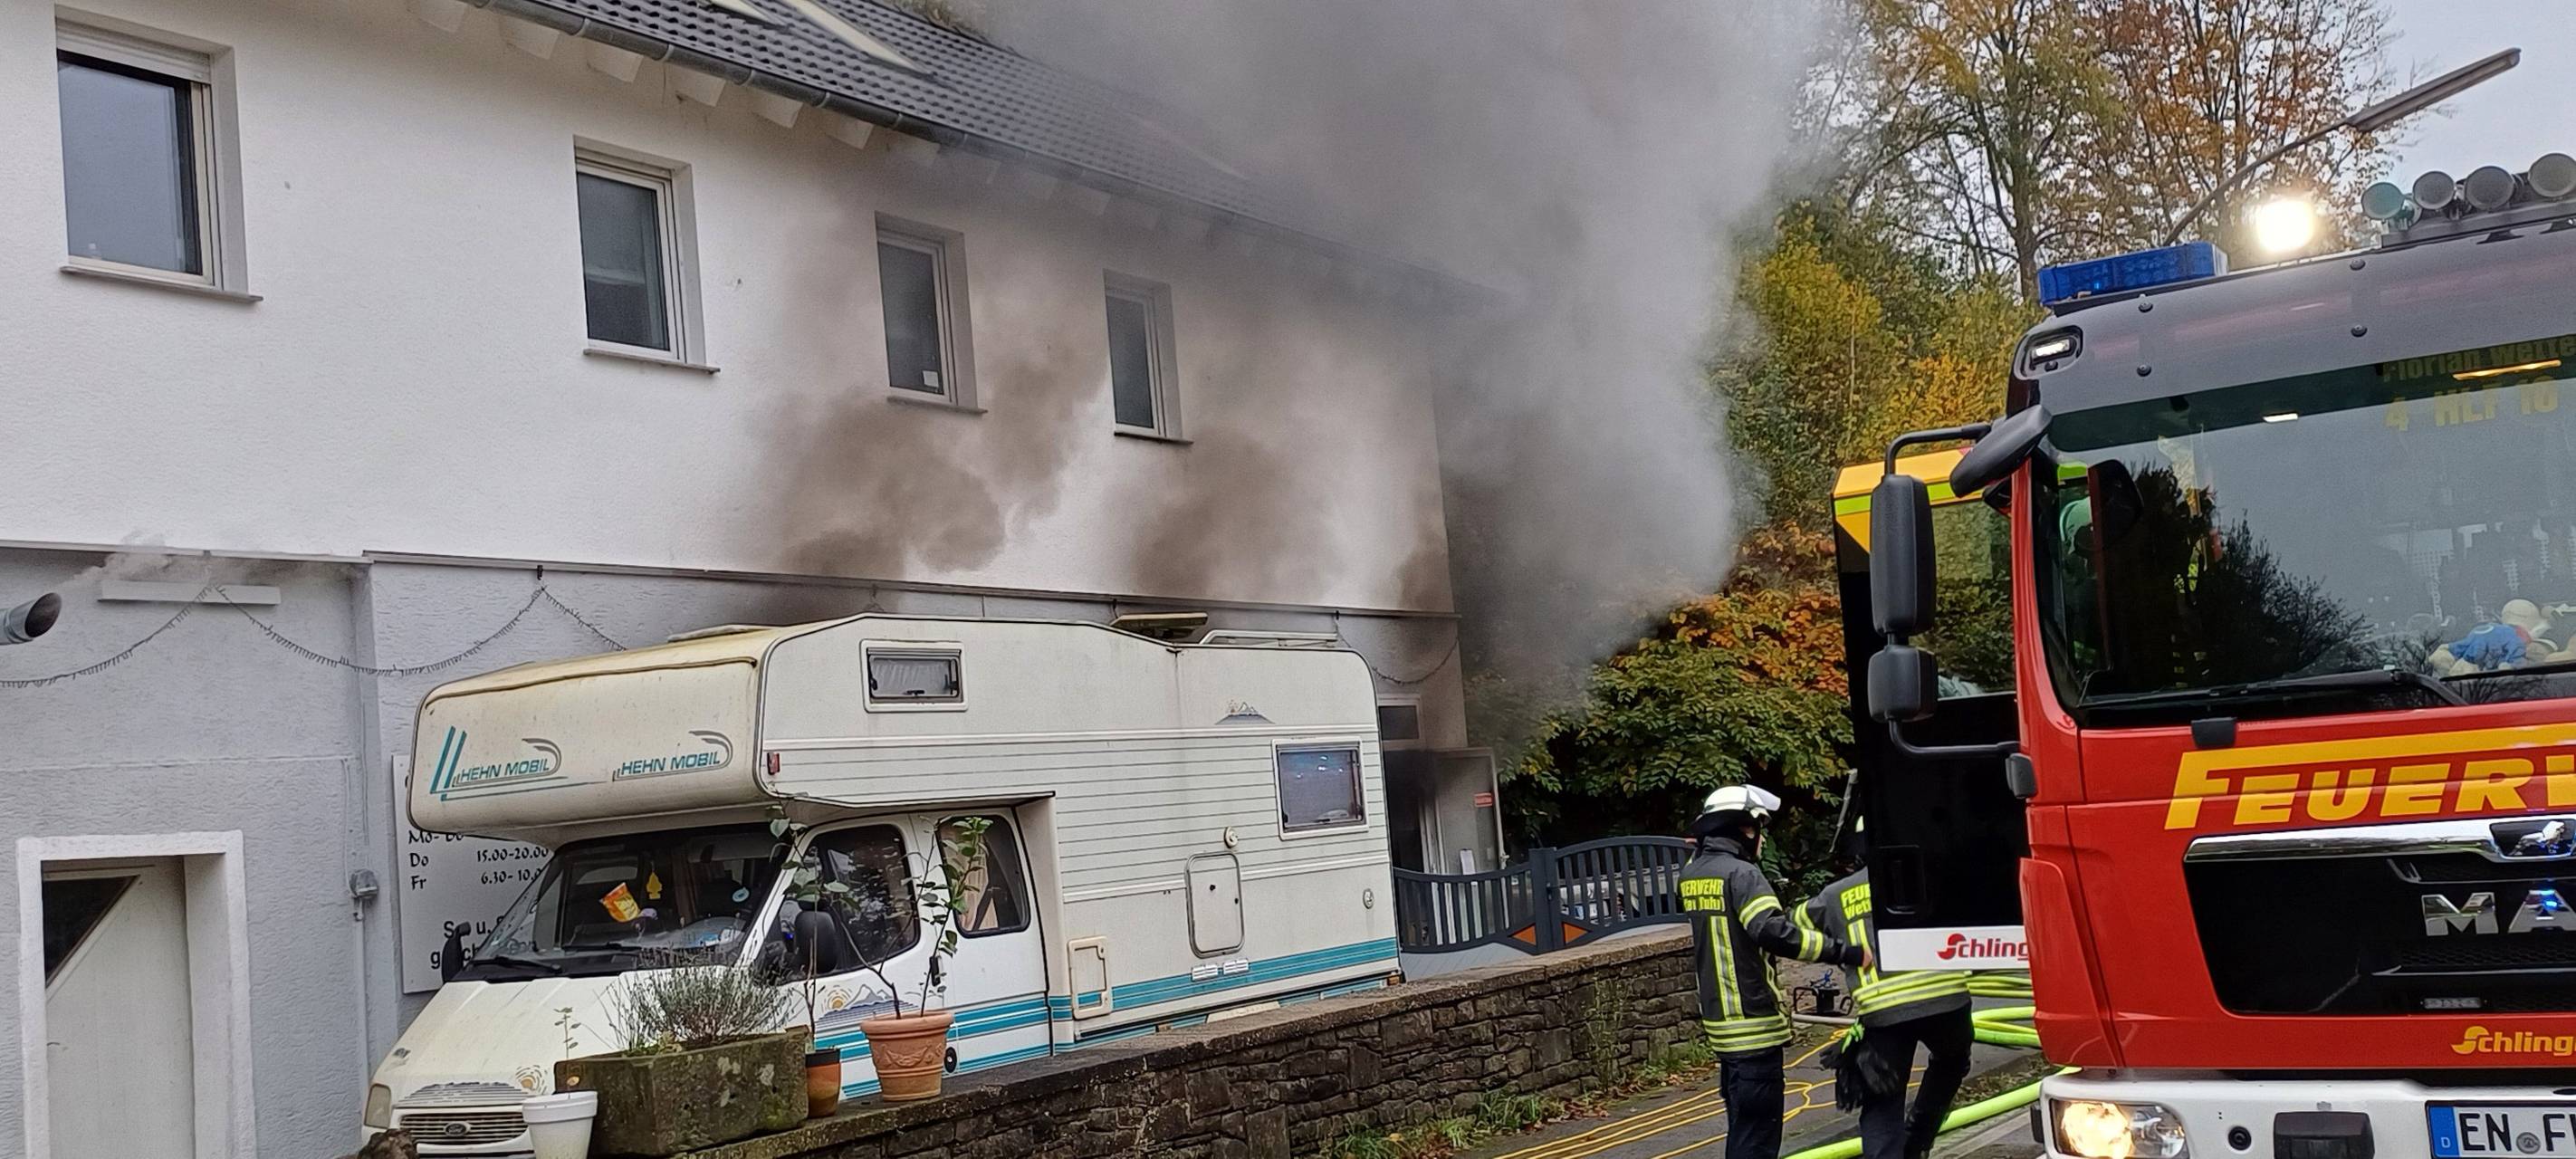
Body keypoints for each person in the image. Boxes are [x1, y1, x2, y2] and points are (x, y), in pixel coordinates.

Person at [1681, 785, 1871, 1159]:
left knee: (1742, 1132)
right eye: (1759, 829)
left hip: (1723, 1031)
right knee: (1758, 1142)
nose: (1762, 839)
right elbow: (1773, 932)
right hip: (1755, 1028)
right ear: (1744, 829)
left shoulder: (1694, 874)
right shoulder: (1743, 876)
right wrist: (1842, 951)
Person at [1800, 822, 1974, 1159]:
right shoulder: (1930, 876)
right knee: (1951, 1062)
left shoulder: (1834, 895)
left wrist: (1840, 951)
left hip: (1883, 1012)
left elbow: (1794, 930)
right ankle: (1917, 1140)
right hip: (1946, 1000)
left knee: (1883, 1097)